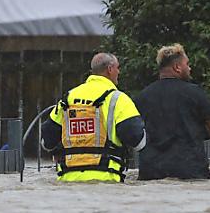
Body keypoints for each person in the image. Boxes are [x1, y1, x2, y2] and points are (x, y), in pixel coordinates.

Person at [134, 44, 210, 180]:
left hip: (151, 172)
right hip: (189, 170)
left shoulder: (142, 96)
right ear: (177, 67)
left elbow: (133, 131)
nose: (189, 68)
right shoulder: (194, 93)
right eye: (187, 64)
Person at [41, 52, 146, 182]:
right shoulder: (118, 99)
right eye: (118, 68)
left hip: (67, 182)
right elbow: (138, 142)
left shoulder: (68, 98)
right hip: (107, 180)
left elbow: (47, 141)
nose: (119, 72)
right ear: (110, 69)